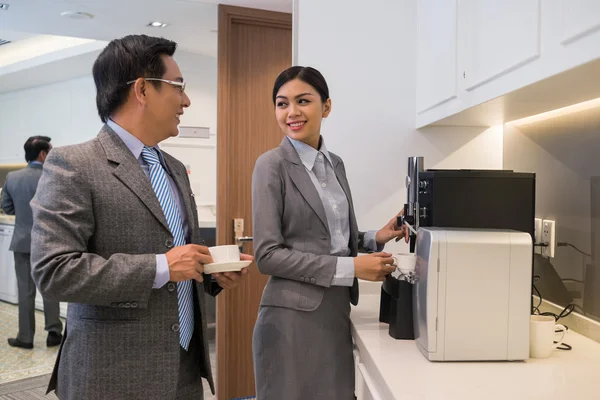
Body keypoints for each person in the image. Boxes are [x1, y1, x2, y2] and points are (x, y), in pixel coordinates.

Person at [30, 34, 250, 400]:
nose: (187, 100)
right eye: (179, 87)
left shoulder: (175, 169)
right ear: (143, 90)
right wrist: (160, 266)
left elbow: (176, 257)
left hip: (183, 370)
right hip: (112, 375)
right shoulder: (74, 165)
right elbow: (54, 272)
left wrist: (210, 274)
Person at [251, 66, 408, 399]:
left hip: (335, 311)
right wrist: (353, 268)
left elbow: (329, 238)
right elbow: (267, 255)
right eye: (282, 104)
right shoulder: (271, 165)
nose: (291, 112)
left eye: (303, 101)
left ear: (326, 106)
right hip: (292, 319)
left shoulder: (334, 163)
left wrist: (375, 237)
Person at [1, 136, 63, 349]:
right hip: (49, 243)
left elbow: (7, 208)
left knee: (25, 290)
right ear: (43, 154)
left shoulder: (12, 177)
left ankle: (25, 337)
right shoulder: (54, 175)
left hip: (21, 242)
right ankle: (54, 332)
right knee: (50, 288)